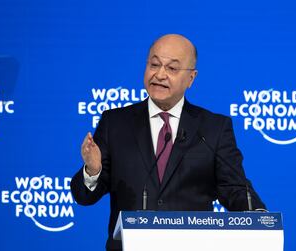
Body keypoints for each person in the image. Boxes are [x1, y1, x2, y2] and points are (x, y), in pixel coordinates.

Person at [71, 34, 266, 251]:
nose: (160, 74)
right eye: (154, 64)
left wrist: (258, 218)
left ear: (191, 78)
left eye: (172, 69)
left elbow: (235, 189)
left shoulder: (213, 128)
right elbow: (84, 197)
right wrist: (92, 170)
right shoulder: (115, 123)